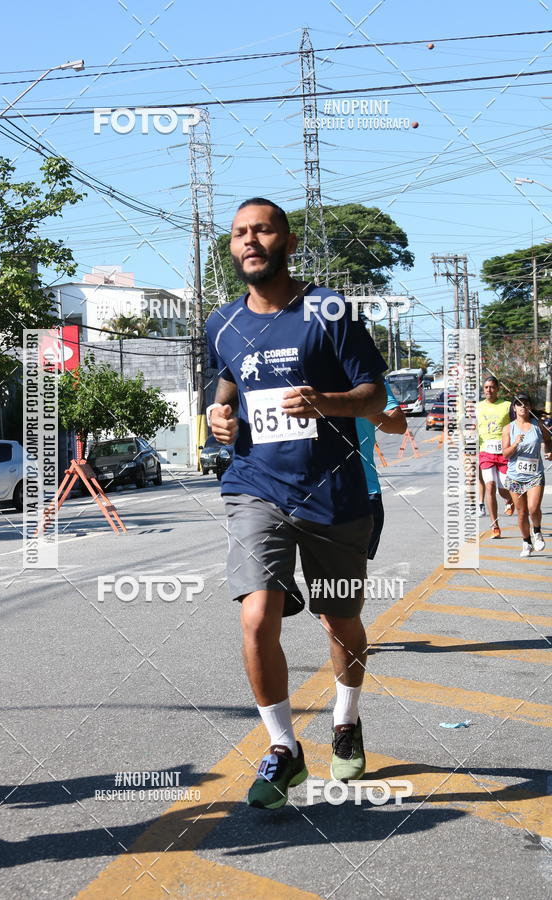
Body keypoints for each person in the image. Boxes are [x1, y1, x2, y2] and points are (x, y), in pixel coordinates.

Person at [206, 197, 387, 810]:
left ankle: (346, 717)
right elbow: (227, 380)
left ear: (285, 238)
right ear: (231, 248)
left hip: (333, 492)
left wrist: (324, 403)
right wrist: (218, 414)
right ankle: (283, 749)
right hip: (255, 485)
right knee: (256, 616)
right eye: (238, 233)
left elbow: (372, 394)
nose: (249, 240)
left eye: (261, 229)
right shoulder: (222, 322)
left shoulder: (326, 307)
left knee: (339, 619)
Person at [356, 384, 407, 559]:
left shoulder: (366, 378)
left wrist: (360, 406)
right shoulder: (305, 373)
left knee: (349, 576)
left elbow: (399, 424)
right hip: (303, 494)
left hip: (363, 493)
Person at [502, 393, 552, 558]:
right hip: (515, 476)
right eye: (519, 404)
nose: (523, 406)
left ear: (529, 407)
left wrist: (549, 452)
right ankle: (526, 542)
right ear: (514, 408)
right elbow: (505, 455)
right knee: (522, 512)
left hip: (535, 474)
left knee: (533, 507)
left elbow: (548, 439)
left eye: (525, 403)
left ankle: (537, 531)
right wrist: (515, 443)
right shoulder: (508, 428)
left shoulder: (537, 425)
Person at [478, 376, 514, 538]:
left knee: (503, 490)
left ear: (498, 389)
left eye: (492, 387)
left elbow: (517, 423)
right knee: (490, 486)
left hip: (504, 453)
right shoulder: (477, 407)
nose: (488, 390)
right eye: (486, 387)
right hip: (485, 453)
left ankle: (509, 500)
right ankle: (495, 526)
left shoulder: (506, 406)